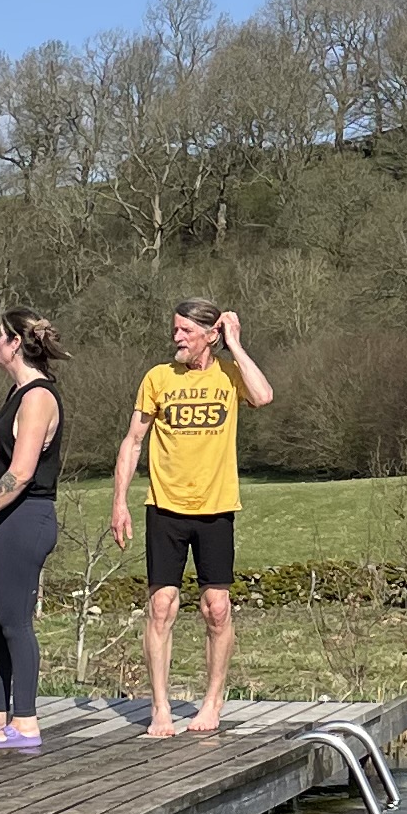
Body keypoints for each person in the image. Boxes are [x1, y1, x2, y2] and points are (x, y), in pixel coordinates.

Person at [109, 294, 274, 737]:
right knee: (161, 605)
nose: (176, 337)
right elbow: (132, 441)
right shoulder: (158, 378)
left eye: (185, 330)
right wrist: (119, 501)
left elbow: (263, 395)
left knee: (216, 608)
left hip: (216, 507)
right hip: (165, 507)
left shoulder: (230, 374)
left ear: (209, 336)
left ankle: (212, 702)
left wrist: (236, 344)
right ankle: (160, 707)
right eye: (175, 328)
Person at [0, 310, 65, 749]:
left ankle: (26, 723)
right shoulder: (16, 393)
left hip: (27, 517)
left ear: (15, 343)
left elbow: (21, 473)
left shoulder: (38, 397)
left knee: (15, 621)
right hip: (7, 520)